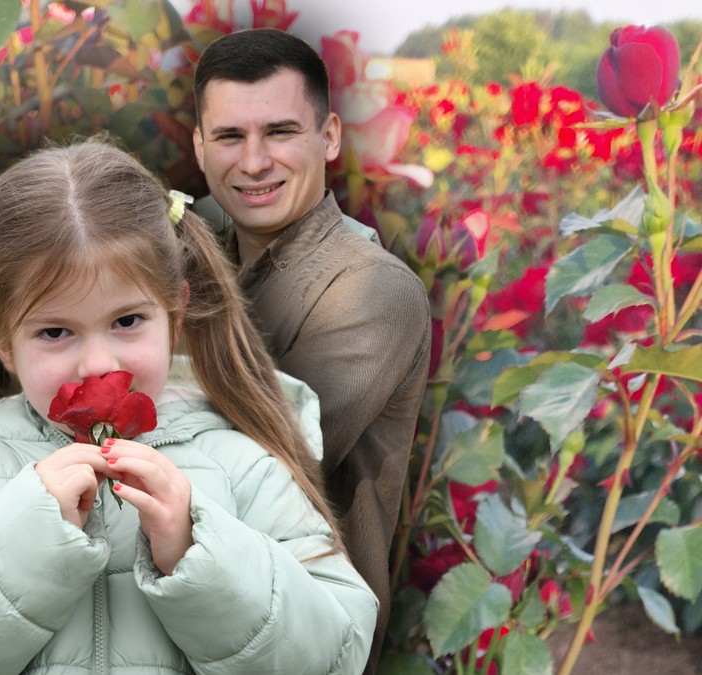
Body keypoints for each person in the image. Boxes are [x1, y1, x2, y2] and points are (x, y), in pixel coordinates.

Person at [0, 137, 378, 674]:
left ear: (175, 316)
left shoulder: (245, 468)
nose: (97, 364)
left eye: (127, 321)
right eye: (55, 331)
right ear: (1, 340)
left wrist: (199, 551)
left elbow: (337, 651)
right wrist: (21, 543)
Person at [190, 28, 432, 673]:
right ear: (200, 146)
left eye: (280, 132)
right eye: (230, 136)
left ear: (329, 137)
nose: (254, 162)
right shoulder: (193, 252)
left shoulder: (369, 289)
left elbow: (261, 458)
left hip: (298, 640)